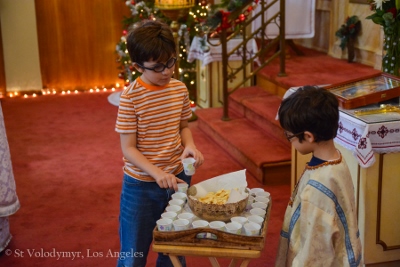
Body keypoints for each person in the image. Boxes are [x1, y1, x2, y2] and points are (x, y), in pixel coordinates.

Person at [115, 20, 204, 267]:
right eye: (157, 67)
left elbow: (183, 127)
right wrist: (157, 174)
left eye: (171, 62)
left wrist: (190, 146)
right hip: (141, 185)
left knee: (174, 248)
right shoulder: (131, 97)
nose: (166, 71)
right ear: (137, 66)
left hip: (178, 180)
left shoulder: (179, 89)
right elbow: (128, 148)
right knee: (134, 252)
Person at [275, 85, 362, 267]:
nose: (289, 141)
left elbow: (314, 255)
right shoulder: (336, 160)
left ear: (308, 136)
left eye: (289, 136)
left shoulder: (318, 187)